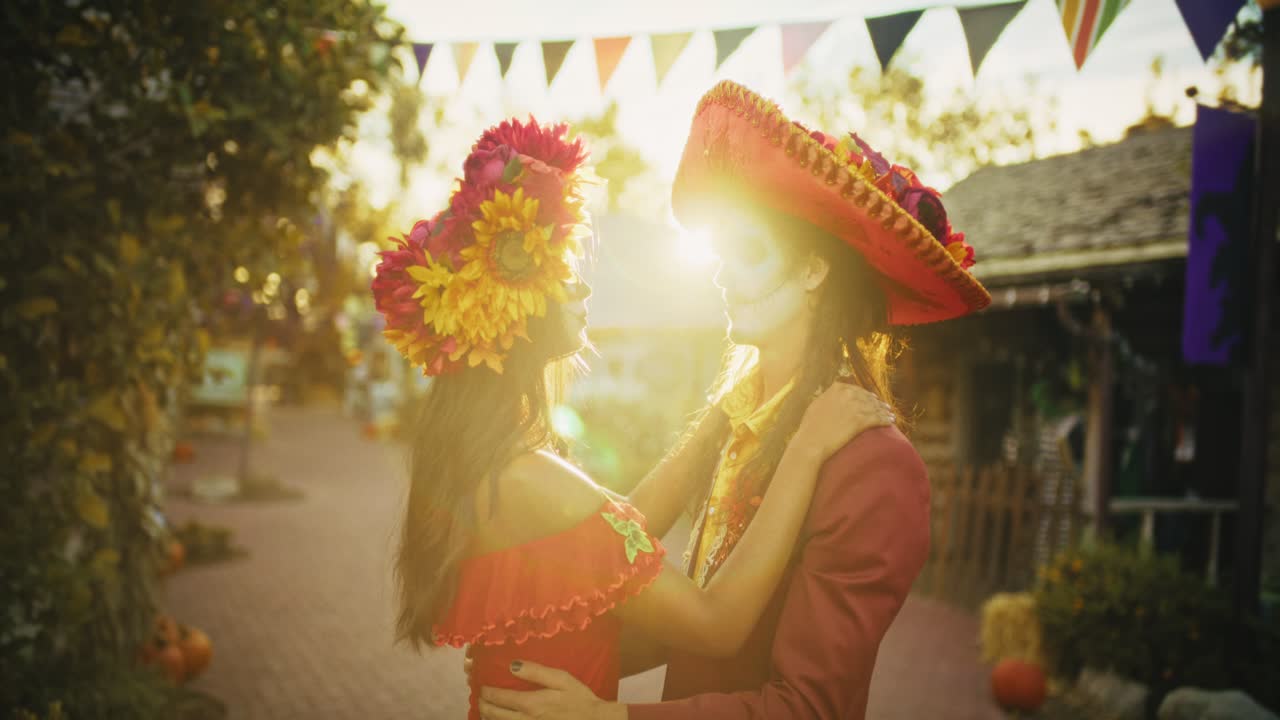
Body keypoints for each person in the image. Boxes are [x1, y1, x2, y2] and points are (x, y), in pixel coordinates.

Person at [473, 80, 992, 720]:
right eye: (719, 253)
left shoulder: (876, 466)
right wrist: (553, 654)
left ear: (813, 270)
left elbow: (808, 707)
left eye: (747, 251)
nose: (720, 274)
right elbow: (695, 632)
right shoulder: (739, 422)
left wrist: (610, 716)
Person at [371, 116, 898, 720]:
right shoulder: (529, 478)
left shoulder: (506, 463)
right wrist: (806, 450)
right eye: (563, 276)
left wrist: (720, 414)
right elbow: (715, 624)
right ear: (510, 311)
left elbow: (621, 535)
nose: (583, 292)